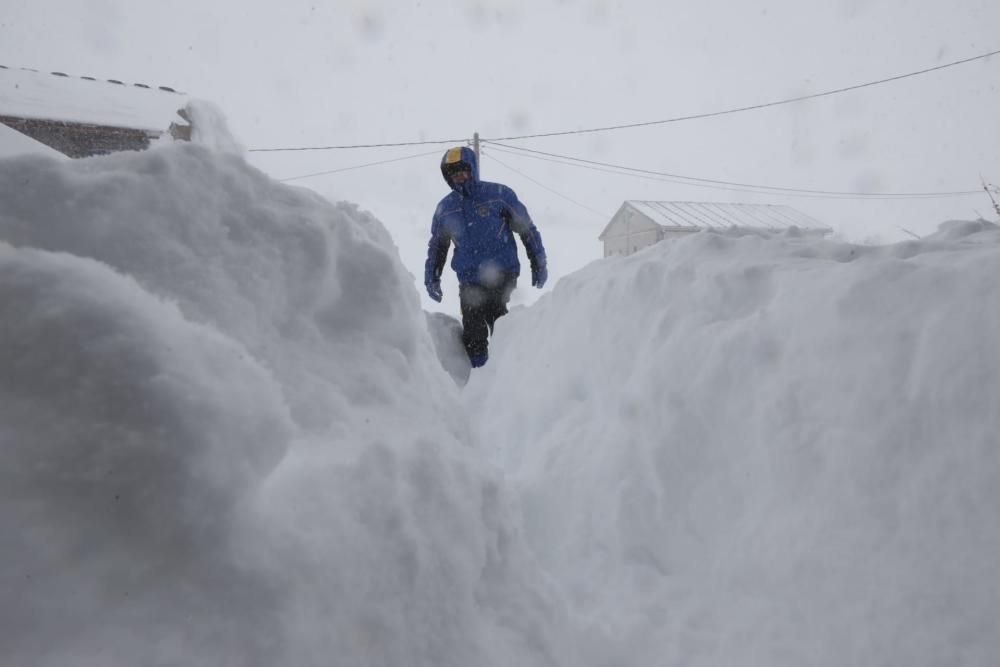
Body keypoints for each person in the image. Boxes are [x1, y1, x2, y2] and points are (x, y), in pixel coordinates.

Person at [424, 145, 547, 368]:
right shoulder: (446, 208)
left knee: (500, 321)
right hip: (469, 277)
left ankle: (512, 369)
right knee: (473, 331)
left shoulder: (499, 196)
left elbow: (527, 229)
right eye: (453, 173)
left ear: (473, 169)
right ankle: (480, 378)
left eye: (463, 171)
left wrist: (538, 262)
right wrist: (432, 276)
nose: (459, 177)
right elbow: (437, 247)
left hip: (502, 272)